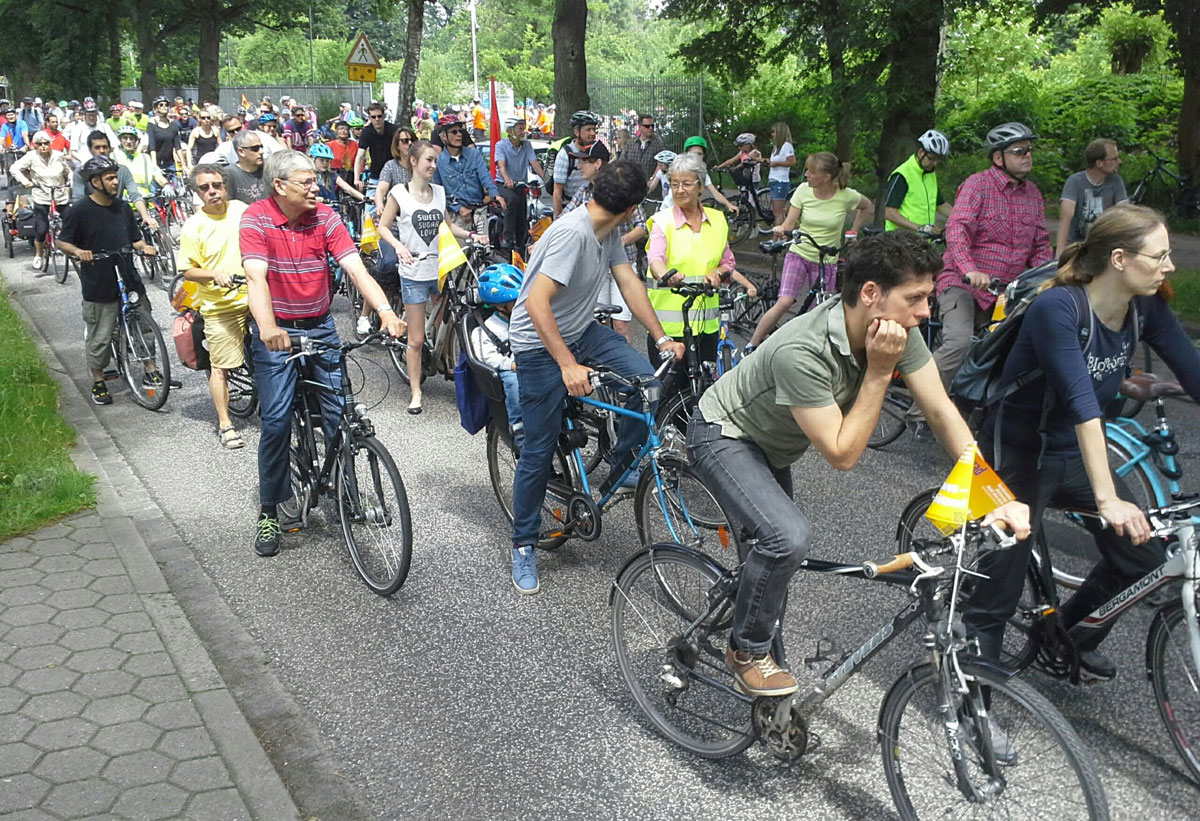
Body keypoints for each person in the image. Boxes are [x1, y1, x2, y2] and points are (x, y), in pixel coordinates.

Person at [686, 230, 1030, 696]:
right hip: (724, 433)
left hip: (774, 446)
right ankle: (745, 649)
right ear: (871, 294)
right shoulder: (802, 351)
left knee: (771, 568)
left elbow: (942, 411)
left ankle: (768, 684)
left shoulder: (895, 329)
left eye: (928, 297)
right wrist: (879, 371)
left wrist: (993, 498)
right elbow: (842, 454)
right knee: (787, 539)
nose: (926, 311)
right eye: (916, 298)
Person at [963, 203, 1200, 685]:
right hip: (1016, 452)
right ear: (1119, 259)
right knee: (998, 590)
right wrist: (1108, 499)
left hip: (1071, 454)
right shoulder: (1059, 308)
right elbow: (1081, 404)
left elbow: (1194, 374)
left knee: (1144, 558)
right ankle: (973, 703)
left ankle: (1065, 638)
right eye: (1159, 256)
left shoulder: (1144, 307)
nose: (1170, 266)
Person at [505, 161, 686, 594]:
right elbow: (536, 304)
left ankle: (620, 465)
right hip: (538, 341)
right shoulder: (573, 233)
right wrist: (567, 364)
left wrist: (661, 338)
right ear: (631, 210)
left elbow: (629, 284)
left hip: (581, 328)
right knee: (538, 448)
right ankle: (524, 543)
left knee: (648, 385)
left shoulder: (607, 231)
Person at [241, 150, 405, 557]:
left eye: (315, 180)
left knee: (341, 414)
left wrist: (386, 312)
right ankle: (269, 512)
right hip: (277, 330)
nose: (317, 187)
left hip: (319, 326)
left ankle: (348, 493)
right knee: (277, 421)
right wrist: (267, 329)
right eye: (306, 182)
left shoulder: (326, 218)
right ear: (279, 186)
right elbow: (255, 279)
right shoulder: (257, 218)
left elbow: (356, 270)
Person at [932, 122, 1053, 395]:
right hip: (963, 284)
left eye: (1029, 150)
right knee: (959, 343)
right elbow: (957, 229)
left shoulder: (1033, 194)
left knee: (1017, 348)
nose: (1027, 156)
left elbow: (1040, 245)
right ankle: (923, 409)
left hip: (1007, 292)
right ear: (999, 158)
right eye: (1019, 151)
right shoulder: (978, 185)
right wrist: (970, 269)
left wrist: (1049, 277)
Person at [376, 140, 479, 410]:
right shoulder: (399, 193)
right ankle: (415, 392)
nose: (434, 165)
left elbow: (446, 226)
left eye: (435, 161)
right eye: (429, 160)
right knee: (416, 339)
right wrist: (398, 247)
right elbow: (384, 227)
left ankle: (444, 363)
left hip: (440, 269)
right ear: (414, 161)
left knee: (444, 319)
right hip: (413, 272)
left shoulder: (440, 192)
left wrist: (471, 235)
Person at [646, 152, 757, 391]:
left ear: (700, 186)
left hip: (707, 325)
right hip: (670, 329)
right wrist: (666, 274)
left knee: (703, 390)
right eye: (674, 184)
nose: (680, 190)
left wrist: (718, 272)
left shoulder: (717, 220)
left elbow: (728, 261)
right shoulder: (662, 221)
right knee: (669, 392)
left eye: (686, 184)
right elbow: (655, 258)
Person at [56, 157, 160, 406]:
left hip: (127, 275)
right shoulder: (79, 210)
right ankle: (99, 381)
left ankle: (151, 370)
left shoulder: (123, 208)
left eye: (116, 176)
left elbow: (134, 239)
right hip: (99, 280)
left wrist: (144, 247)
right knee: (100, 334)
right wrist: (78, 251)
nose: (116, 181)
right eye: (110, 178)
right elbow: (62, 241)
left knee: (144, 323)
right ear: (95, 182)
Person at [747, 151, 873, 350]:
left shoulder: (845, 195)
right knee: (785, 301)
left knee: (821, 311)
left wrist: (853, 231)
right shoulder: (803, 191)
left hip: (827, 259)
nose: (806, 175)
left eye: (811, 172)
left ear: (827, 177)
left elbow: (867, 207)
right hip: (800, 252)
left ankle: (811, 352)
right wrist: (782, 230)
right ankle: (753, 345)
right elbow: (789, 224)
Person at [178, 164, 252, 449]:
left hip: (254, 294)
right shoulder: (193, 227)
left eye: (217, 185)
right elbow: (187, 271)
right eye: (205, 188)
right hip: (221, 305)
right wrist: (213, 274)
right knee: (220, 367)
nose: (213, 192)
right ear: (197, 193)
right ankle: (225, 424)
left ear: (225, 187)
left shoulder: (241, 210)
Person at [562, 141, 645, 341]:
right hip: (595, 266)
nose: (579, 167)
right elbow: (564, 218)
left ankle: (624, 365)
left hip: (623, 263)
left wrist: (620, 241)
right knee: (597, 323)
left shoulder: (622, 187)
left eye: (584, 162)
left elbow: (642, 225)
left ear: (598, 163)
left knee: (620, 324)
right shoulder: (583, 192)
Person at [473, 263, 526, 444]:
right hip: (509, 368)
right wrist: (510, 365)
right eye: (516, 302)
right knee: (514, 382)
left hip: (529, 362)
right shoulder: (488, 329)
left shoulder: (525, 319)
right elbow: (487, 357)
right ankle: (519, 427)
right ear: (501, 306)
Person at [69, 131, 157, 232]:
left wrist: (145, 217)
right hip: (91, 219)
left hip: (116, 217)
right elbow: (78, 199)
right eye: (97, 148)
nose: (102, 151)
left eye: (105, 147)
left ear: (110, 149)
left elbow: (135, 195)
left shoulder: (122, 170)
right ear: (90, 150)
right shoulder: (81, 172)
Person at [433, 115, 505, 236]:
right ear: (443, 136)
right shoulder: (438, 162)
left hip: (479, 211)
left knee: (484, 248)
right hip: (455, 216)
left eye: (460, 131)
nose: (459, 135)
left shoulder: (474, 154)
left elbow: (485, 177)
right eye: (454, 132)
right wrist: (459, 209)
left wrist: (496, 195)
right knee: (461, 253)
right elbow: (438, 193)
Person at [10, 131, 72, 271]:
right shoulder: (31, 157)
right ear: (35, 145)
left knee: (70, 220)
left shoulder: (58, 155)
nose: (43, 147)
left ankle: (72, 247)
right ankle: (38, 254)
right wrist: (26, 181)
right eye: (39, 144)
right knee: (42, 228)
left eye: (46, 143)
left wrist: (70, 181)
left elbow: (68, 171)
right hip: (41, 194)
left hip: (59, 193)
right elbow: (14, 168)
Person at [1057, 139, 1128, 253]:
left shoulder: (1116, 181)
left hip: (1104, 247)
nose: (1119, 161)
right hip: (1076, 247)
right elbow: (1066, 218)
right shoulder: (1075, 182)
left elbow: (1124, 213)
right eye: (1114, 159)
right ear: (1099, 163)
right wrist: (1059, 257)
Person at [883, 129, 954, 234]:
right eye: (931, 158)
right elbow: (889, 213)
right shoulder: (902, 175)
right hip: (899, 241)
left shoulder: (929, 174)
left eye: (938, 160)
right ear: (921, 152)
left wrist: (962, 216)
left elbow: (940, 204)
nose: (935, 163)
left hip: (921, 242)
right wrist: (920, 228)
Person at [494, 117, 545, 253]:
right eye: (520, 129)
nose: (524, 131)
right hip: (503, 184)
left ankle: (521, 247)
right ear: (510, 131)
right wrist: (507, 179)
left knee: (523, 216)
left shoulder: (527, 145)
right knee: (512, 200)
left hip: (520, 185)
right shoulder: (501, 145)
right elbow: (501, 165)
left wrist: (547, 179)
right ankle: (507, 238)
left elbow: (534, 163)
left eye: (524, 128)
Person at [661, 138, 739, 215]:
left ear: (703, 156)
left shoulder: (702, 174)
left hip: (685, 212)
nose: (696, 157)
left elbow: (715, 192)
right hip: (669, 210)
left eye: (699, 154)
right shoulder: (679, 169)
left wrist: (729, 205)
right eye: (693, 154)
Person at [552, 110, 600, 217]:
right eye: (588, 130)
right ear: (576, 132)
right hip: (571, 209)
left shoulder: (596, 151)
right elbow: (557, 193)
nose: (592, 133)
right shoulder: (565, 155)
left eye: (594, 129)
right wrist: (558, 219)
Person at [353, 102, 397, 191]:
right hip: (376, 175)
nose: (377, 119)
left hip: (394, 174)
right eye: (373, 117)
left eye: (379, 116)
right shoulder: (366, 132)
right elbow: (360, 156)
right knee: (370, 203)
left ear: (384, 116)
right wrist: (356, 179)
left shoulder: (394, 130)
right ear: (369, 118)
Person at [374, 126, 417, 214]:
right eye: (405, 141)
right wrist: (379, 204)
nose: (410, 143)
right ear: (397, 145)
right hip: (396, 219)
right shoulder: (390, 166)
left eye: (412, 140)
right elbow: (381, 189)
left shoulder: (421, 165)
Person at [65, 100, 117, 166]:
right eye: (89, 115)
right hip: (85, 163)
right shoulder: (78, 128)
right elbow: (73, 151)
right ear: (84, 115)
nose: (91, 118)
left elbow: (114, 145)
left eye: (93, 115)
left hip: (104, 162)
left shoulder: (105, 127)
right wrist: (83, 160)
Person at [146, 97, 185, 182]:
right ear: (156, 108)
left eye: (166, 105)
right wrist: (154, 165)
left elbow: (178, 147)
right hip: (157, 162)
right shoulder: (152, 125)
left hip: (170, 163)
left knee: (177, 189)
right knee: (157, 190)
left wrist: (184, 165)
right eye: (161, 105)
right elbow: (152, 147)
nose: (164, 107)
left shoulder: (173, 125)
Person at [619, 112, 664, 185]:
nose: (651, 128)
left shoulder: (658, 144)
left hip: (651, 188)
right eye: (647, 126)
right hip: (632, 186)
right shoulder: (630, 144)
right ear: (639, 127)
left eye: (652, 126)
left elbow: (661, 164)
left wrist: (652, 180)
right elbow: (621, 163)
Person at [766, 122, 796, 226]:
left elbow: (792, 162)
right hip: (774, 180)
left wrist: (776, 163)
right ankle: (781, 236)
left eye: (774, 132)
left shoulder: (787, 146)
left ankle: (777, 238)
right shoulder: (776, 148)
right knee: (777, 212)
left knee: (777, 213)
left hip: (780, 181)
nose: (772, 134)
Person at [225, 130, 267, 205]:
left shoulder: (269, 167)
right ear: (241, 152)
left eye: (261, 147)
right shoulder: (229, 174)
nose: (261, 151)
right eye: (255, 148)